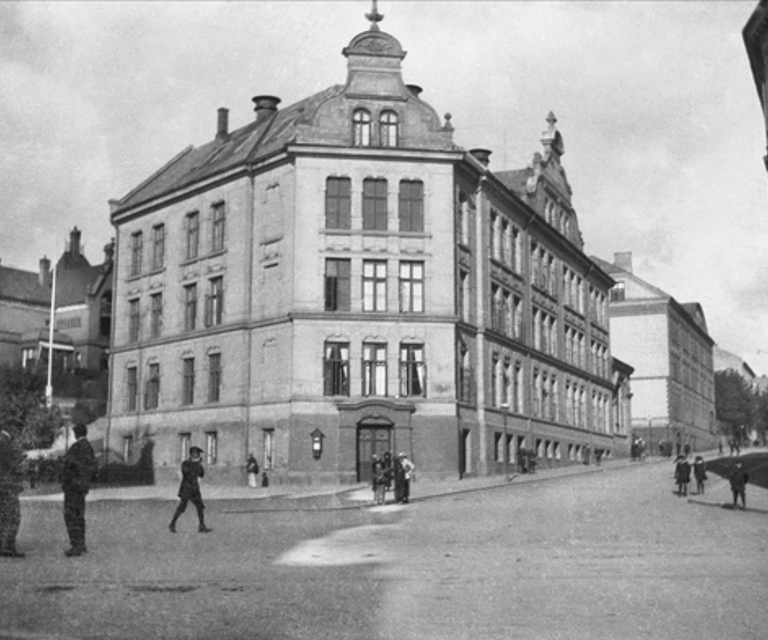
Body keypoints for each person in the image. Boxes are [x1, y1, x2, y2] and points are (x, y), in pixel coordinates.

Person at [62, 423, 97, 557]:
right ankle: (81, 544)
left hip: (72, 487)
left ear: (76, 433)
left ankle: (76, 545)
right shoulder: (88, 447)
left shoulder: (76, 447)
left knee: (71, 516)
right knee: (79, 516)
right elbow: (92, 468)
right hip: (82, 487)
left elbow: (69, 465)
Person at [169, 446, 212, 533]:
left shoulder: (197, 464)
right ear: (192, 454)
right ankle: (172, 524)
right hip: (186, 489)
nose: (197, 455)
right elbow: (187, 473)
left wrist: (199, 465)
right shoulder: (186, 463)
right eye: (196, 453)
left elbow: (201, 475)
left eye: (198, 454)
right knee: (181, 508)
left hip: (195, 489)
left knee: (200, 507)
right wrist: (196, 465)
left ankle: (202, 526)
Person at [0, 428, 25, 558]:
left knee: (3, 517)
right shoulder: (4, 443)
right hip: (7, 485)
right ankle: (8, 547)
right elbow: (13, 465)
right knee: (13, 517)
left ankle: (2, 545)